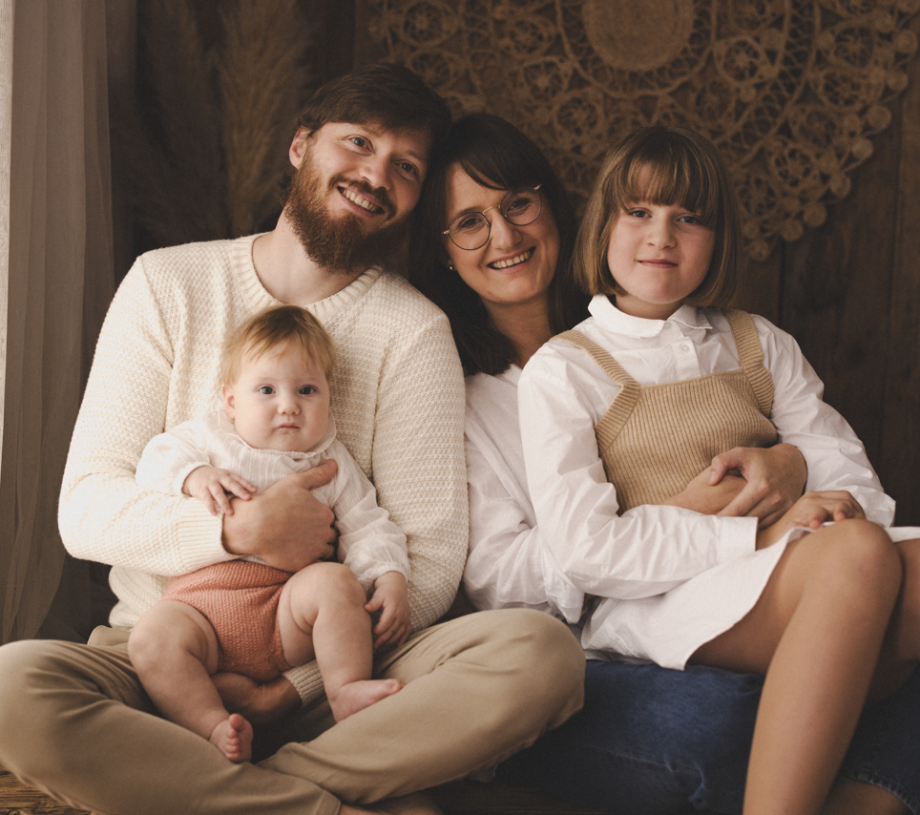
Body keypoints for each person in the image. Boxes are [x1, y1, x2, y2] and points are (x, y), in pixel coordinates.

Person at [0, 64, 585, 815]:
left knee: (541, 657)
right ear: (301, 144)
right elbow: (86, 508)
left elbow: (431, 560)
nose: (377, 176)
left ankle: (232, 789)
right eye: (359, 143)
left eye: (406, 166)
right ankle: (321, 802)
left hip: (333, 674)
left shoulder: (413, 331)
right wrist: (234, 530)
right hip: (164, 654)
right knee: (12, 689)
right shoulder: (167, 284)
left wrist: (296, 685)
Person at [408, 112, 920, 815]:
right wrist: (724, 521)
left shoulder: (747, 340)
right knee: (741, 696)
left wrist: (791, 465)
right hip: (613, 623)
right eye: (470, 222)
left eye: (517, 204)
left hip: (783, 564)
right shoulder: (508, 384)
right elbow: (529, 571)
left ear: (558, 209)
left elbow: (850, 478)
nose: (503, 235)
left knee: (878, 578)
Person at [130, 304, 413, 763]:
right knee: (150, 638)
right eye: (266, 390)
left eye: (307, 390)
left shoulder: (330, 463)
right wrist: (194, 475)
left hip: (285, 614)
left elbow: (368, 525)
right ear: (230, 401)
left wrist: (390, 576)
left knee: (336, 582)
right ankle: (213, 726)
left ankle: (345, 689)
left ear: (329, 396)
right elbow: (154, 461)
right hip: (199, 610)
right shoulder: (208, 440)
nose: (288, 406)